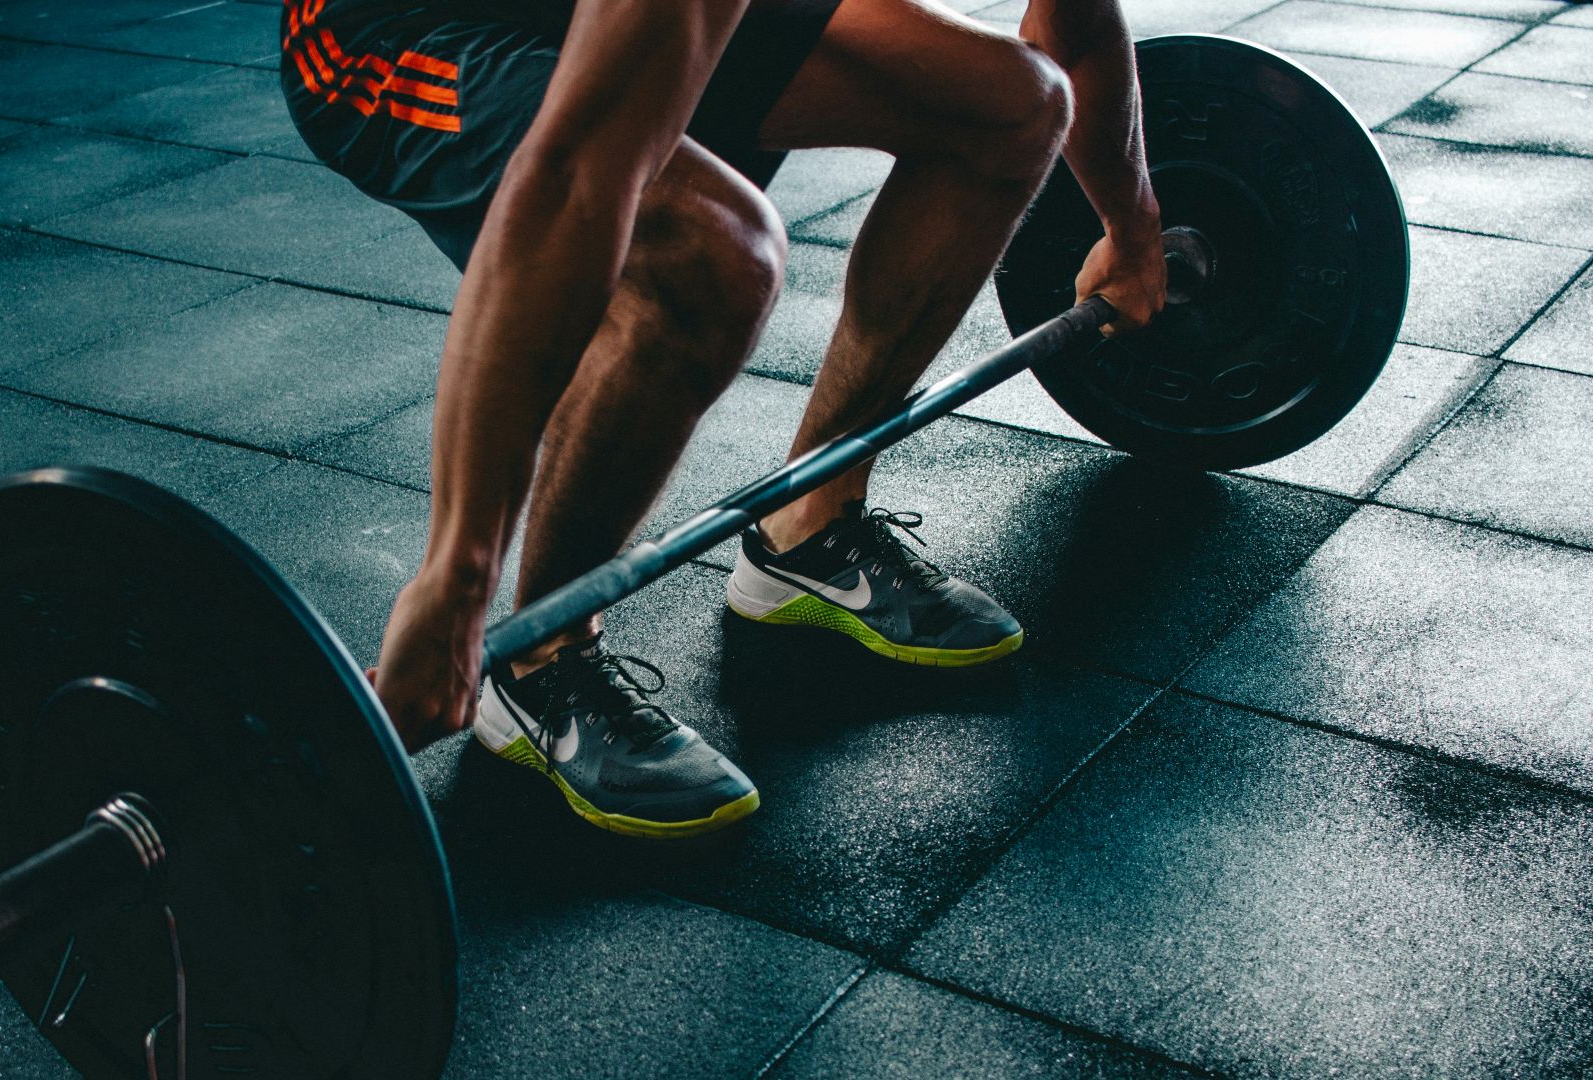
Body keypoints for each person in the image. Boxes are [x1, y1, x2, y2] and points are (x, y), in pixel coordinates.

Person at [282, 0, 1165, 838]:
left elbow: (1074, 30)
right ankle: (540, 660)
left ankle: (807, 526)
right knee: (714, 253)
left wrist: (1132, 228)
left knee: (1012, 105)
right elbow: (576, 176)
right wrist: (456, 578)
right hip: (396, 28)